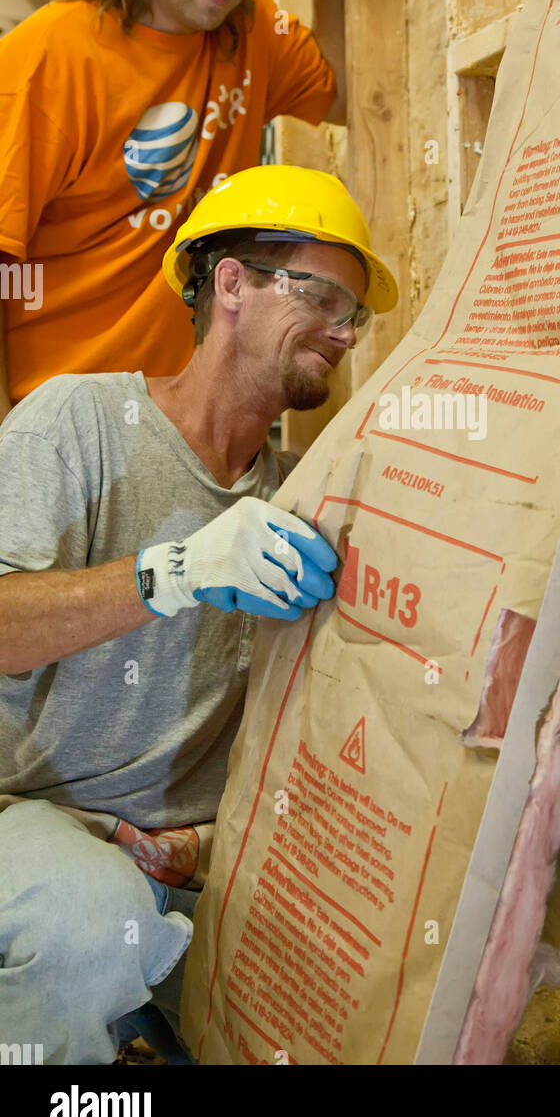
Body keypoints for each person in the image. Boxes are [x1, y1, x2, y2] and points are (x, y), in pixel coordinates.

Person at [0, 164, 398, 1064]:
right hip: (28, 823)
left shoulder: (306, 496)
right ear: (231, 284)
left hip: (192, 861)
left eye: (354, 314)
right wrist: (171, 572)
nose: (342, 331)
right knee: (89, 923)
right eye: (324, 295)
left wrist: (212, 840)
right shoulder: (79, 422)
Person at [0, 0, 381, 420]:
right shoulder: (46, 58)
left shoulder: (251, 25)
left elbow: (346, 96)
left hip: (182, 419)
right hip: (57, 419)